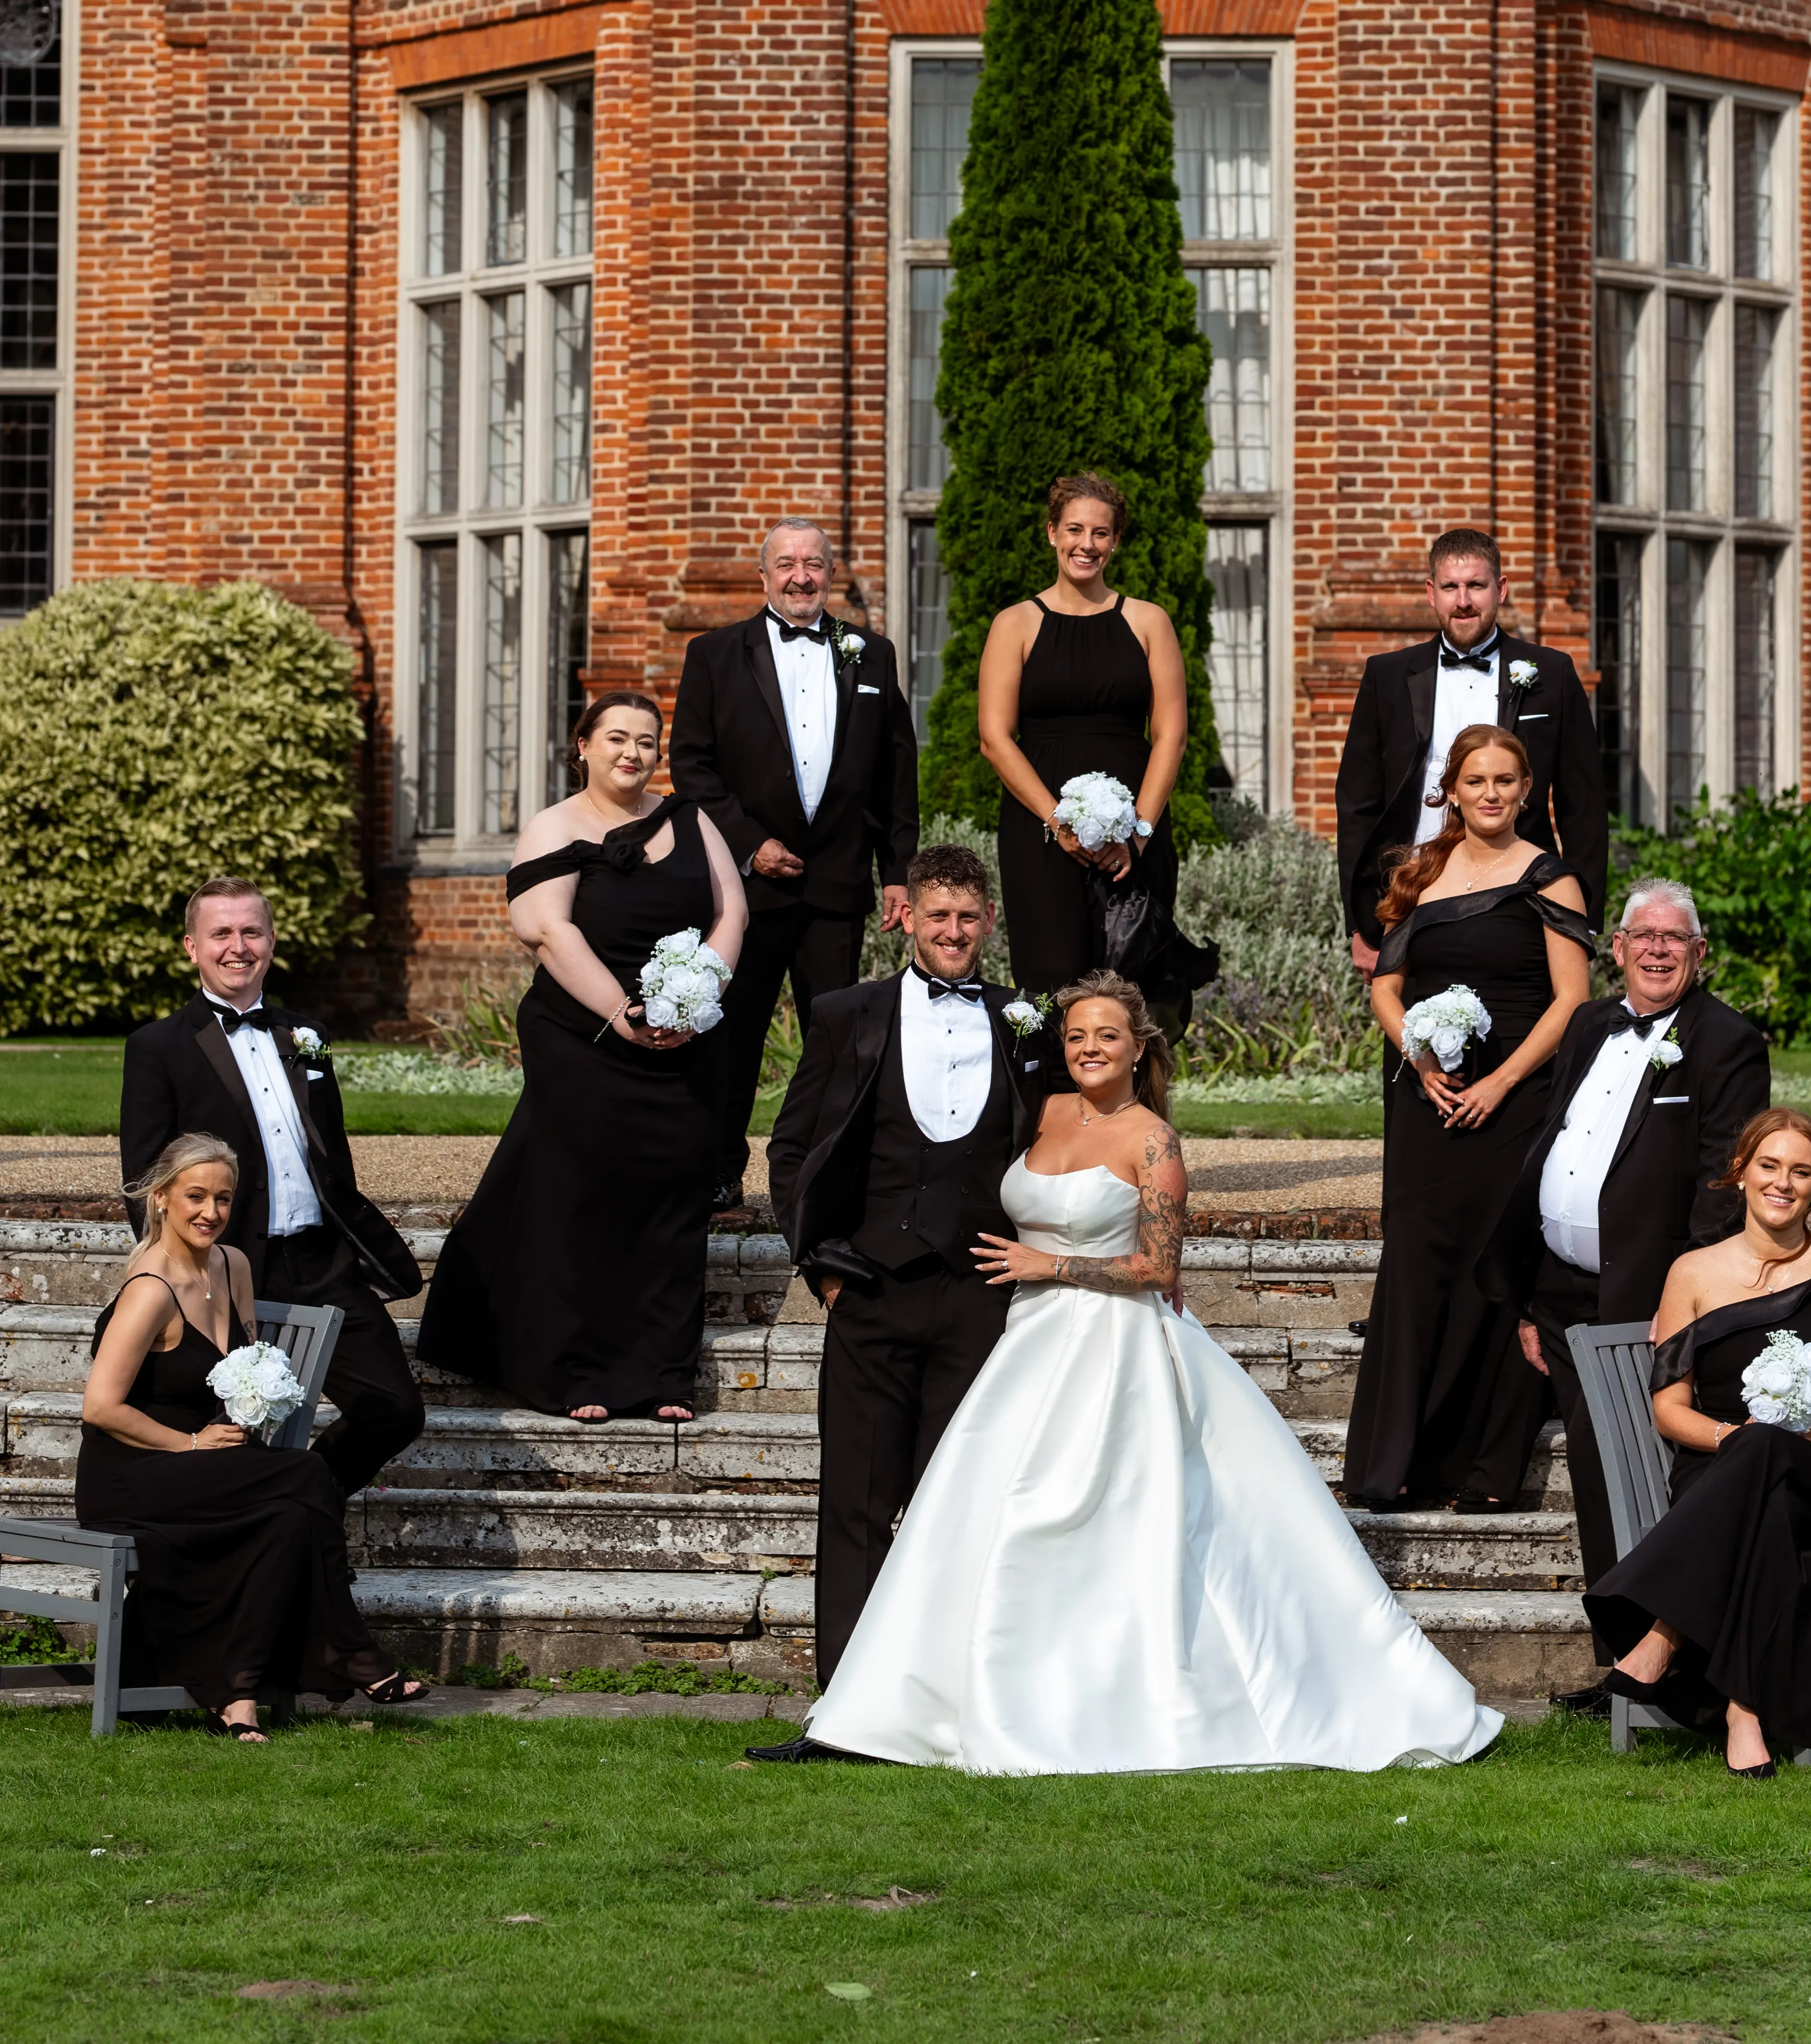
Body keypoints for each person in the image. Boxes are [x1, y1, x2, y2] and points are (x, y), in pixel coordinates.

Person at [795, 973, 1501, 1772]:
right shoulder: (1041, 1111)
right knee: (982, 1511)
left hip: (1113, 1348)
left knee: (1091, 1514)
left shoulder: (1155, 1141)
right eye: (1075, 1035)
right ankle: (940, 1697)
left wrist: (1049, 1263)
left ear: (1138, 1046)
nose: (1089, 1047)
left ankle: (1106, 1701)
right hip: (1026, 1343)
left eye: (1106, 1035)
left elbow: (1158, 1266)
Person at [751, 843, 1065, 1741]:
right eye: (937, 916)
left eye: (967, 917)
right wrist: (821, 1265)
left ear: (988, 921)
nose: (952, 931)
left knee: (960, 1501)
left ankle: (948, 1702)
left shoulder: (1025, 1020)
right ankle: (846, 1707)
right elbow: (792, 1147)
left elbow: (1061, 1141)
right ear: (907, 919)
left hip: (981, 1293)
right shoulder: (845, 1012)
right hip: (871, 1287)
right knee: (854, 1501)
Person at [417, 691, 748, 1424]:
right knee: (581, 1199)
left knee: (674, 1200)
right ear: (584, 745)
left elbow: (733, 911)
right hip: (583, 1035)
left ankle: (664, 1375)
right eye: (618, 737)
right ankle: (573, 1370)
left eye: (647, 741)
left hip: (688, 1039)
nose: (633, 752)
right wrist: (624, 1014)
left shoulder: (691, 818)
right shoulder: (555, 825)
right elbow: (546, 929)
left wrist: (698, 997)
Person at [1478, 877, 1769, 1701]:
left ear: (1699, 952)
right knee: (1600, 1474)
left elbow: (1722, 1183)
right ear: (1617, 948)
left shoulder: (1727, 1040)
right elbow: (1556, 1141)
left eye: (1674, 937)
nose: (1657, 948)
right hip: (1564, 1294)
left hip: (1648, 1301)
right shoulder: (1588, 1023)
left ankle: (1681, 1664)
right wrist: (1534, 1298)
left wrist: (1684, 1302)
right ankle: (1626, 1662)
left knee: (1650, 1472)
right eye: (1644, 933)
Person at [80, 1135, 425, 1741]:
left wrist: (258, 1394)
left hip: (207, 1464)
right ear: (161, 1198)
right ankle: (352, 1650)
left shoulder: (232, 1264)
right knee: (307, 1472)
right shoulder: (150, 1289)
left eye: (223, 1198)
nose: (210, 1211)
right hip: (134, 1470)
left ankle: (236, 1698)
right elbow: (101, 1407)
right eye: (195, 1196)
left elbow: (243, 1362)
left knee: (289, 1518)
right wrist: (188, 1445)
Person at [1586, 1109, 1811, 1776]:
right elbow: (1670, 1409)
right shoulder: (1692, 1272)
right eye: (1769, 1165)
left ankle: (1664, 1629)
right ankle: (1743, 1712)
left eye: (1801, 1171)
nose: (1783, 1182)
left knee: (1772, 1456)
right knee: (1762, 1479)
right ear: (1740, 1172)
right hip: (1723, 1468)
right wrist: (1735, 1436)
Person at [1342, 726, 1594, 1516]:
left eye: (1505, 780)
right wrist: (1419, 1060)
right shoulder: (1421, 871)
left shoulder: (1552, 880)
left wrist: (1502, 1082)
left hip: (1515, 1101)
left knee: (1495, 1271)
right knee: (1417, 1265)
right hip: (1427, 1102)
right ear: (1450, 789)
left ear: (1526, 789)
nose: (1490, 793)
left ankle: (1481, 1465)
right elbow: (1386, 988)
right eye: (1476, 779)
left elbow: (1572, 1001)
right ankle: (1396, 1459)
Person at [120, 879, 425, 1502]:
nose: (238, 946)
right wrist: (180, 1273)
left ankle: (301, 1503)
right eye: (221, 933)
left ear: (272, 940)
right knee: (234, 1433)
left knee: (395, 1408)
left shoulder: (307, 1033)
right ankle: (263, 1532)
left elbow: (329, 1147)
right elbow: (146, 1181)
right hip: (229, 1264)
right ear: (192, 946)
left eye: (251, 931)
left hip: (322, 1260)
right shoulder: (157, 1046)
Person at [670, 519, 920, 1206]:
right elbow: (691, 766)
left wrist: (898, 870)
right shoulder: (714, 654)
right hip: (743, 887)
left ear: (831, 573)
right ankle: (721, 1170)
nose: (801, 576)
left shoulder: (872, 654)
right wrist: (749, 843)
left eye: (814, 563)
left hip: (838, 879)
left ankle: (827, 1173)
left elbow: (897, 770)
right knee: (732, 1031)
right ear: (764, 575)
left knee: (836, 1038)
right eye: (786, 564)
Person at [977, 471, 1206, 1004]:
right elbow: (994, 737)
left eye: (1101, 532)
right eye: (1075, 529)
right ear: (1052, 532)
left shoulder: (1150, 621)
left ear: (1116, 540)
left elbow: (1171, 736)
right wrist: (1058, 824)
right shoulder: (1015, 624)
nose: (1087, 544)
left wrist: (1138, 836)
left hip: (1134, 838)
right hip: (1040, 832)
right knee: (1050, 985)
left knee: (1129, 986)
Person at [1333, 528, 1606, 975]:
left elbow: (1584, 806)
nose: (1463, 601)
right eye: (1450, 587)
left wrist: (1582, 923)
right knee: (1412, 1019)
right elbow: (1357, 806)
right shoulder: (1387, 676)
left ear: (1500, 589)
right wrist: (1361, 925)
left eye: (1476, 585)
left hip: (1523, 899)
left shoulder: (1552, 673)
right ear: (1432, 593)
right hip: (1411, 895)